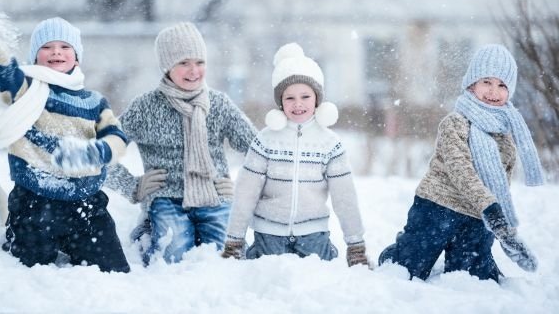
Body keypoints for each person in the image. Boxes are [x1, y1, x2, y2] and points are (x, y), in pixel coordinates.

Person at [378, 44, 544, 282]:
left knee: (475, 279)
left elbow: (501, 188)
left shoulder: (506, 136)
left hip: (477, 217)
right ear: (471, 84)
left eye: (502, 85)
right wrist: (491, 210)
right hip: (437, 208)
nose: (493, 91)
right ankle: (399, 253)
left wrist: (506, 231)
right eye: (486, 81)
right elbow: (461, 171)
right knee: (409, 269)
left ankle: (477, 263)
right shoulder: (454, 123)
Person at [0, 17, 131, 272]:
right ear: (35, 56)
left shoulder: (94, 101)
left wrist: (96, 152)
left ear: (77, 57)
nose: (56, 52)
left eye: (65, 47)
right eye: (47, 47)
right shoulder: (26, 90)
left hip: (86, 204)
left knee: (113, 271)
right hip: (35, 203)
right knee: (24, 270)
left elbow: (116, 137)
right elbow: (4, 68)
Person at [105, 22, 257, 265]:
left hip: (214, 196)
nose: (193, 70)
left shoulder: (218, 104)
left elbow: (258, 150)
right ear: (167, 67)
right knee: (172, 256)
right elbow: (100, 154)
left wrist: (240, 188)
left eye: (199, 62)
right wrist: (132, 186)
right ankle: (147, 232)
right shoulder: (145, 107)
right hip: (166, 199)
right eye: (183, 63)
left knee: (228, 258)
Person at [221, 43, 369, 267]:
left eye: (305, 96)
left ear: (317, 99)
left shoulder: (330, 143)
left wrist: (355, 244)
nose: (298, 104)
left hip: (314, 235)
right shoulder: (265, 140)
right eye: (289, 98)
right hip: (269, 234)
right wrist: (234, 240)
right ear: (280, 102)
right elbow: (245, 192)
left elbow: (344, 196)